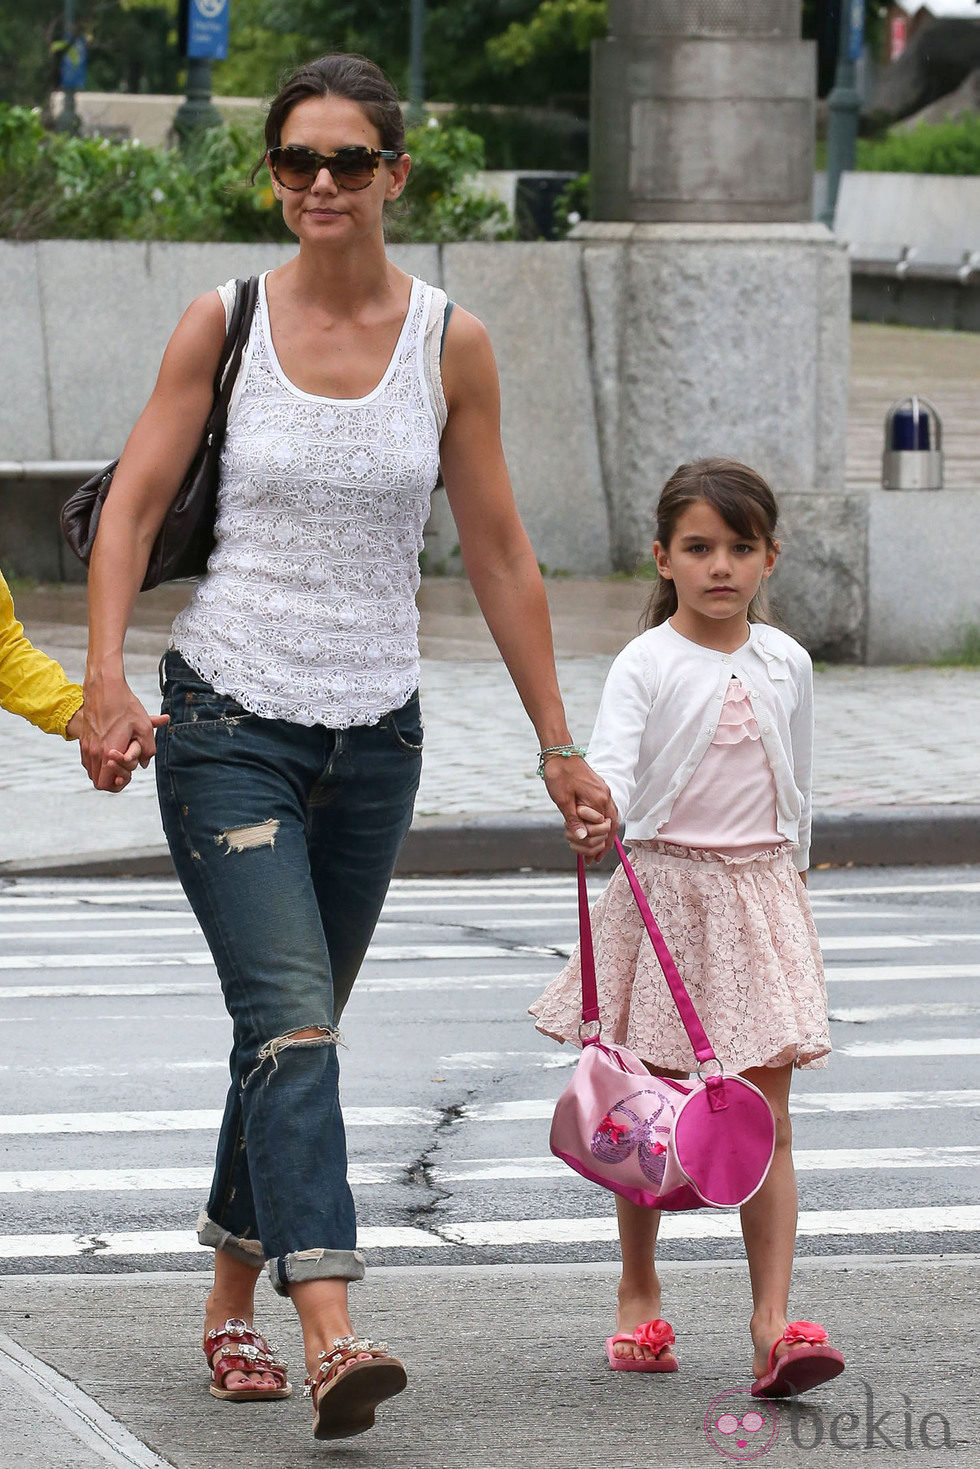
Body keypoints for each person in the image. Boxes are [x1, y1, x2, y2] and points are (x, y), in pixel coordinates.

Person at [76, 52, 613, 1441]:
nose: (321, 183)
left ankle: (222, 1310)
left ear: (396, 176)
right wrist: (105, 679)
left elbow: (498, 549)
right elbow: (132, 508)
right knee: (296, 1024)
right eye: (297, 161)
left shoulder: (452, 344)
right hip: (227, 723)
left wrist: (557, 742)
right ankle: (331, 1331)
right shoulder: (226, 322)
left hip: (375, 740)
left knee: (286, 1032)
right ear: (274, 174)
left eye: (348, 161)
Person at [529, 458, 845, 1398]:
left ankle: (771, 1322)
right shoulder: (647, 660)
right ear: (662, 557)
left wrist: (790, 887)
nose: (721, 567)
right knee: (652, 1118)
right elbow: (616, 768)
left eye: (740, 548)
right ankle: (638, 1290)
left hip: (758, 899)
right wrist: (596, 810)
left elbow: (802, 786)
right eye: (699, 548)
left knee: (770, 1120)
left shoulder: (788, 661)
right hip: (663, 899)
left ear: (769, 557)